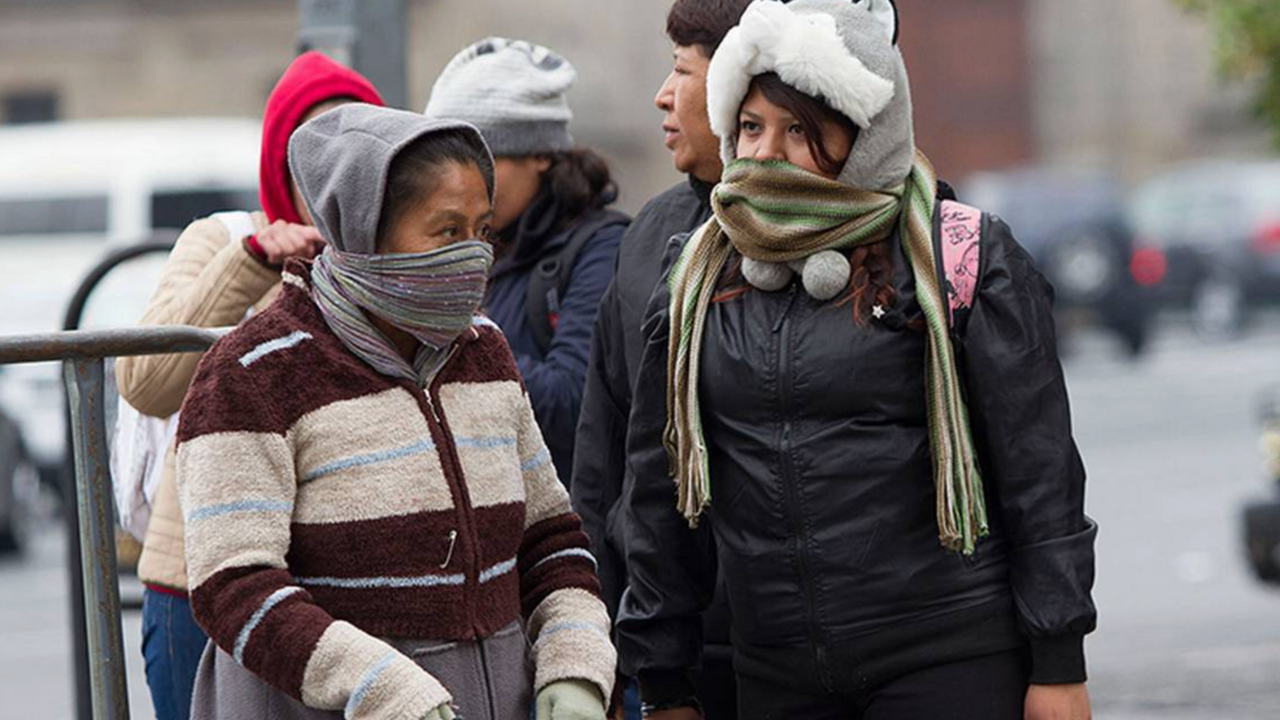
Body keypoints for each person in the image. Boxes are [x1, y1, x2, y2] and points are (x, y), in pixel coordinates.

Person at [616, 2, 1097, 719]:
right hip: (777, 675)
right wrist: (662, 680)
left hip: (947, 659)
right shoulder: (694, 280)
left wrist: (1058, 663)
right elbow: (658, 497)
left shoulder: (959, 258)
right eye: (750, 127)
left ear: (865, 140)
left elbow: (1040, 474)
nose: (764, 154)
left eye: (799, 131)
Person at [176, 104, 615, 720]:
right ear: (364, 234)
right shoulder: (254, 372)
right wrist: (383, 689)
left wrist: (575, 666)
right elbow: (234, 585)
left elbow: (550, 539)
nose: (473, 257)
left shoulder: (484, 353)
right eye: (446, 232)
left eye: (481, 230)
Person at [113, 50, 383, 720]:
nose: (333, 168)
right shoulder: (224, 241)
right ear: (278, 162)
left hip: (349, 591)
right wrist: (254, 264)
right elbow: (146, 383)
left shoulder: (396, 259)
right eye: (311, 149)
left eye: (354, 145)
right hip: (201, 590)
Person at [569, 2, 752, 718]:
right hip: (662, 642)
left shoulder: (829, 243)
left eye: (682, 70)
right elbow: (602, 454)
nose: (662, 95)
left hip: (793, 646)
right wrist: (597, 635)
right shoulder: (651, 237)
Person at [424, 38, 628, 485]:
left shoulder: (602, 248)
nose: (460, 188)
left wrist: (449, 320)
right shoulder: (457, 245)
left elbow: (572, 404)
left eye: (482, 163)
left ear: (540, 153)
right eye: (443, 168)